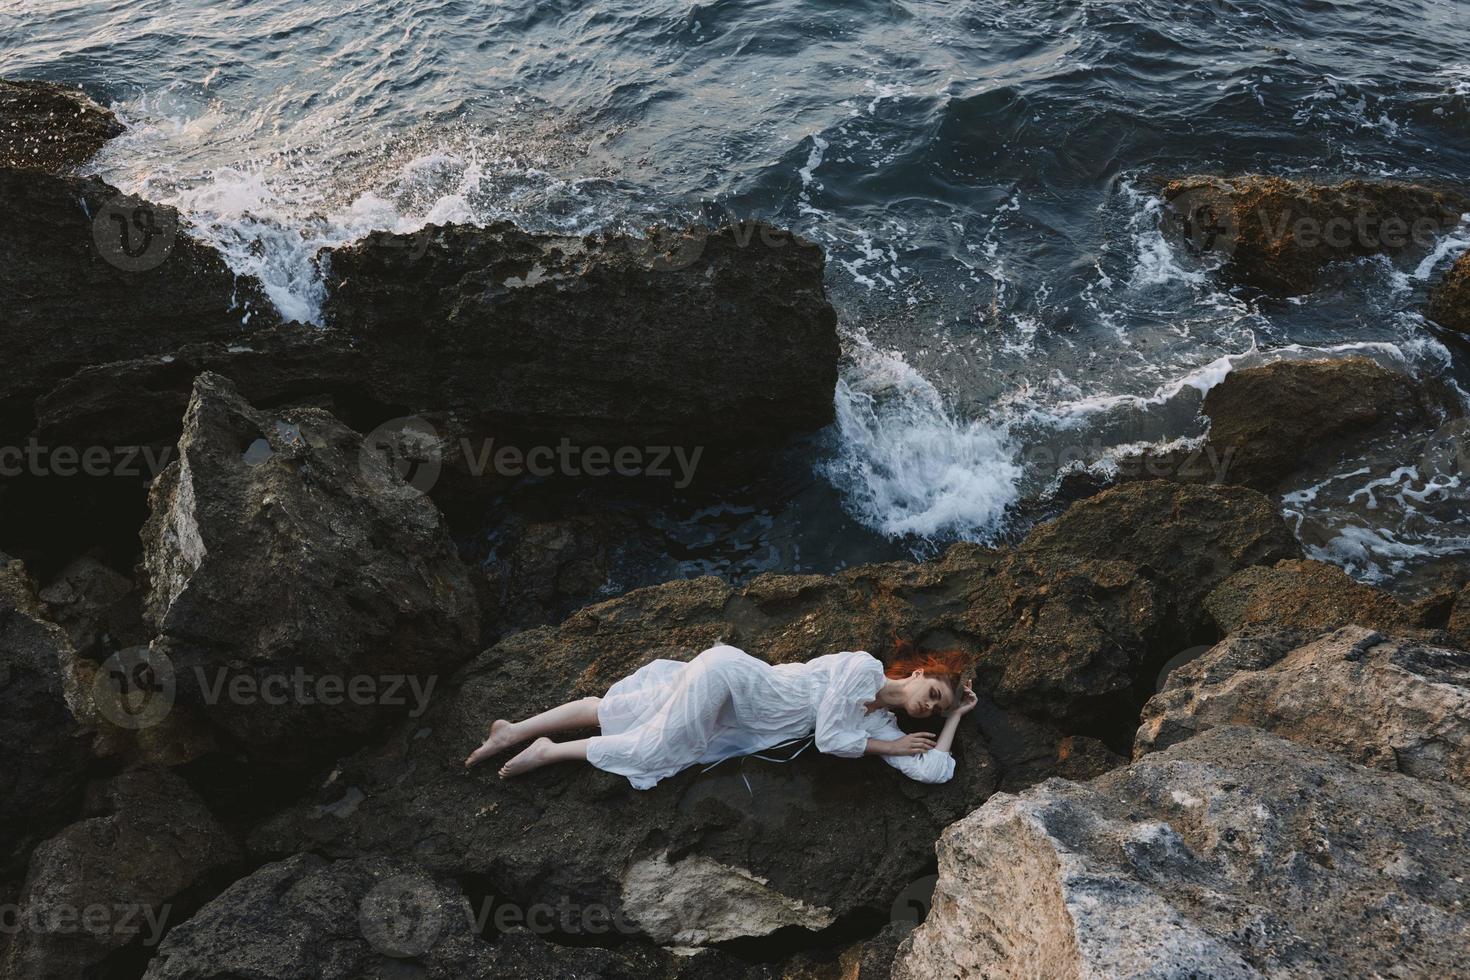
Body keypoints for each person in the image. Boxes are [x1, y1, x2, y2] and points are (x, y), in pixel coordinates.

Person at [463, 643, 977, 789]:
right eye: (933, 692)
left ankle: (514, 730)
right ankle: (551, 750)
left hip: (732, 710)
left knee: (617, 709)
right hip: (731, 677)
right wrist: (886, 748)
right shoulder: (861, 669)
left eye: (937, 707)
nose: (930, 706)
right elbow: (827, 738)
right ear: (914, 674)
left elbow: (932, 771)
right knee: (654, 748)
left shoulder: (876, 725)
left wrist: (957, 719)